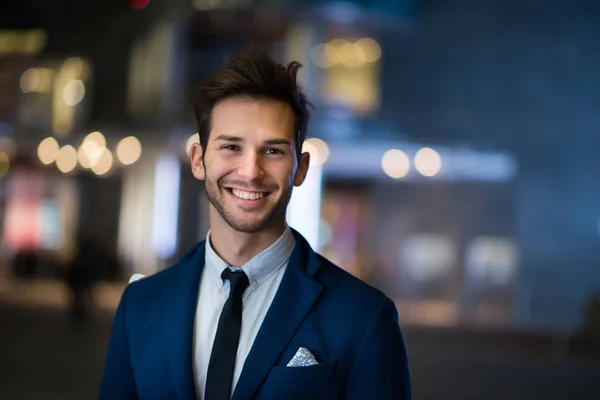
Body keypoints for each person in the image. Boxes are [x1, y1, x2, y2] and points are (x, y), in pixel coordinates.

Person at [98, 46, 411, 400]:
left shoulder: (363, 317)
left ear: (301, 167)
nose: (250, 172)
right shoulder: (141, 305)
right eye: (231, 147)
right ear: (199, 160)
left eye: (273, 150)